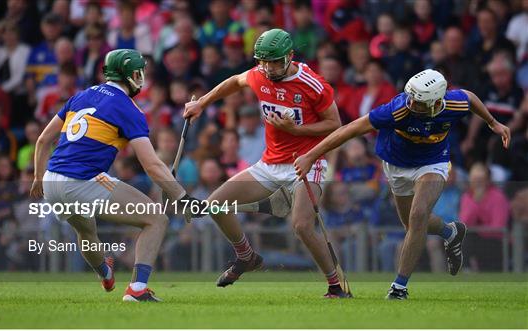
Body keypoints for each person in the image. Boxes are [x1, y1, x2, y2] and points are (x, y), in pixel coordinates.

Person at [294, 69, 511, 299]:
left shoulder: (453, 103)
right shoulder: (397, 109)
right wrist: (311, 155)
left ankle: (399, 287)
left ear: (437, 102)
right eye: (411, 99)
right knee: (412, 224)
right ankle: (450, 232)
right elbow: (350, 129)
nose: (412, 105)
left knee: (418, 215)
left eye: (418, 103)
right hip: (396, 166)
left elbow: (470, 97)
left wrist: (492, 122)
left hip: (433, 162)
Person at [184, 29, 347, 298]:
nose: (269, 69)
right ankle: (246, 257)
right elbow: (236, 81)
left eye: (275, 62)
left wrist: (297, 130)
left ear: (290, 57)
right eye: (264, 62)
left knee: (302, 226)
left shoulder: (313, 84)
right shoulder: (260, 73)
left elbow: (335, 125)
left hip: (307, 162)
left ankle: (335, 286)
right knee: (214, 204)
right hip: (269, 164)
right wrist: (202, 102)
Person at [30, 49, 201, 302]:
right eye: (138, 72)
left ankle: (105, 272)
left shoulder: (81, 95)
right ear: (129, 75)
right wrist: (182, 196)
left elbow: (44, 140)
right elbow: (152, 165)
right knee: (156, 219)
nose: (141, 77)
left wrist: (37, 178)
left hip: (52, 180)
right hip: (83, 181)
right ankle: (137, 289)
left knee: (86, 232)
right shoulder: (129, 109)